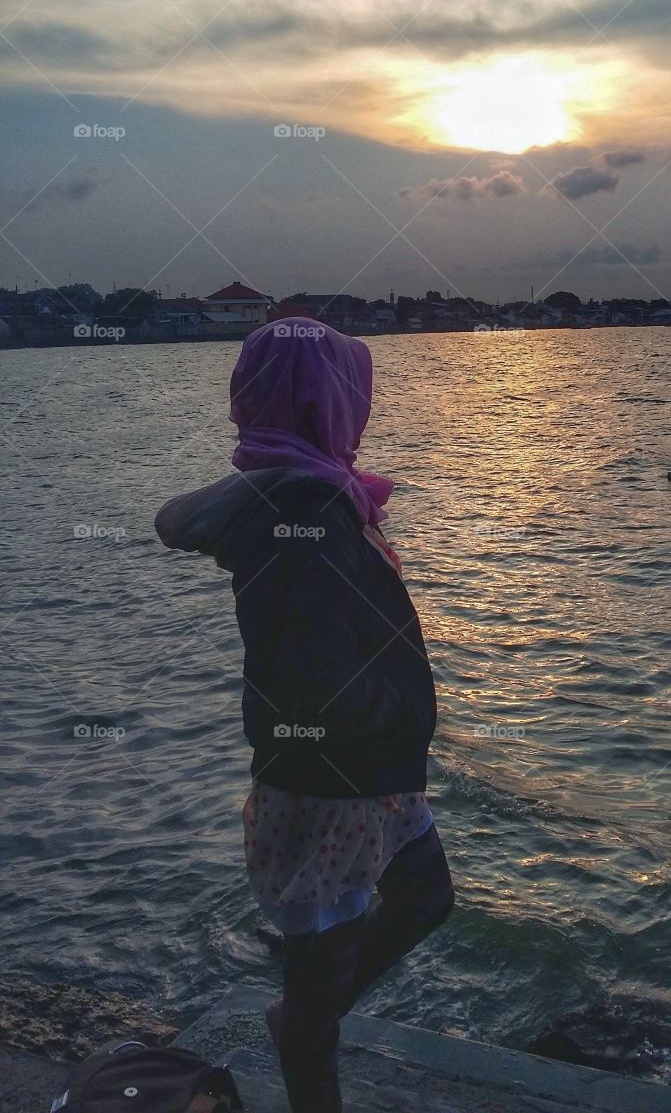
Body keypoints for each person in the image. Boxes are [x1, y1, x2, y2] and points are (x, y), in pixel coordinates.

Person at [155, 316, 454, 1113]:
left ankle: (305, 1018)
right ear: (329, 404)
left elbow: (184, 517)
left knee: (427, 900)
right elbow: (312, 681)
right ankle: (304, 1034)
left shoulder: (293, 491)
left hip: (365, 776)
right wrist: (397, 716)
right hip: (336, 786)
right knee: (319, 999)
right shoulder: (306, 511)